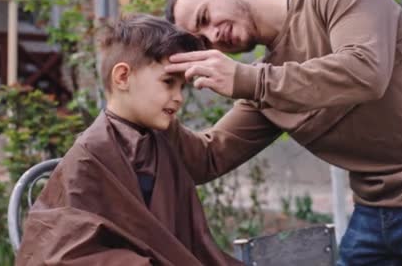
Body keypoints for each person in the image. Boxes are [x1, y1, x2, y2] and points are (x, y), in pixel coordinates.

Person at [165, 0, 402, 265]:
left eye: (205, 17)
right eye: (203, 40)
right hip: (373, 216)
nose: (213, 36)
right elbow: (206, 158)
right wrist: (151, 103)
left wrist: (249, 81)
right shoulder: (261, 83)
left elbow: (364, 71)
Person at [15, 14, 242, 266]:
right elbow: (64, 250)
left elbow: (185, 239)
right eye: (168, 83)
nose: (178, 97)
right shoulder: (90, 155)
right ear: (122, 77)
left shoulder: (161, 143)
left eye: (182, 87)